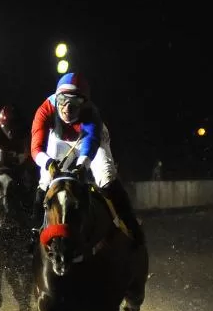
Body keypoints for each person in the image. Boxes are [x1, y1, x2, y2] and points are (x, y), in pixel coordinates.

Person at [30, 72, 144, 247]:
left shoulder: (92, 113)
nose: (67, 108)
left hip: (89, 139)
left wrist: (82, 165)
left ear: (85, 103)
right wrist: (48, 163)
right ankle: (35, 231)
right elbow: (36, 148)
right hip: (60, 139)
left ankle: (132, 227)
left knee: (106, 178)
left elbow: (90, 143)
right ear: (56, 98)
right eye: (62, 100)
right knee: (45, 181)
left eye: (74, 102)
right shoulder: (45, 109)